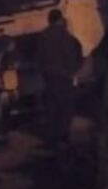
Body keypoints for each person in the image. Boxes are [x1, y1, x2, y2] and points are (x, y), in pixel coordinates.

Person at [35, 9, 83, 147]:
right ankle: (62, 136)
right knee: (65, 107)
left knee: (52, 107)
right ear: (60, 20)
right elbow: (70, 55)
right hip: (63, 76)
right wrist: (73, 71)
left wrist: (44, 72)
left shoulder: (43, 36)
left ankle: (52, 136)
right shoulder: (64, 35)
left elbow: (39, 57)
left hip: (49, 77)